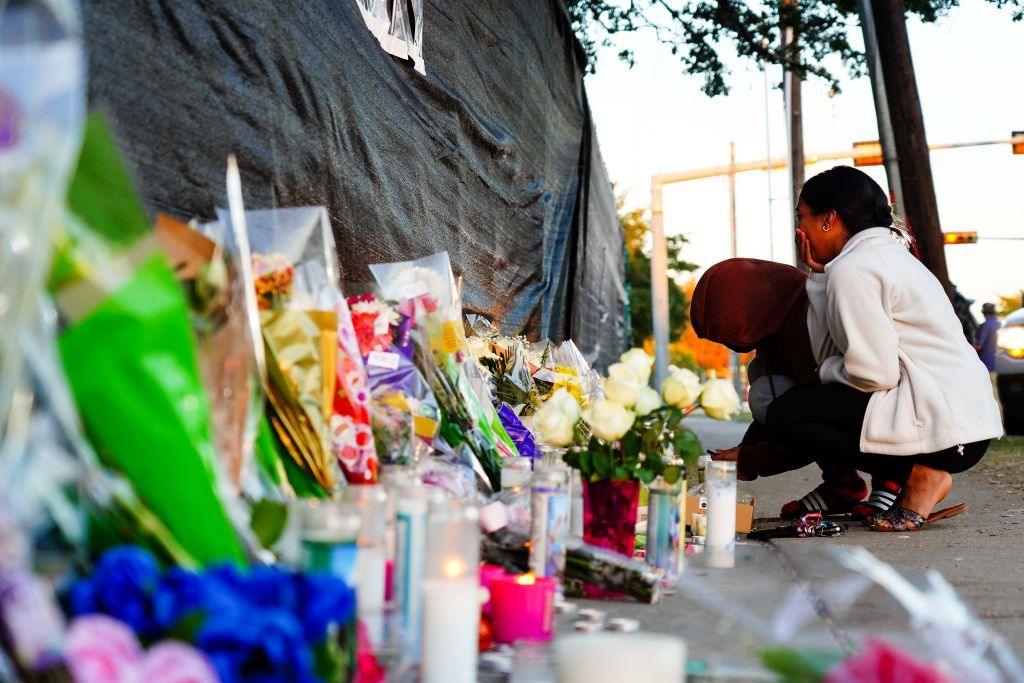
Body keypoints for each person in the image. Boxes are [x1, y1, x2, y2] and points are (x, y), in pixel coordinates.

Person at [765, 165, 1002, 532]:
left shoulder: (855, 268)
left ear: (828, 219)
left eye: (803, 217)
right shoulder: (881, 257)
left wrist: (826, 371)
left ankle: (920, 477)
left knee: (788, 413)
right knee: (806, 401)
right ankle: (908, 476)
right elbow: (832, 346)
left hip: (945, 428)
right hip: (965, 425)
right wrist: (819, 275)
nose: (800, 230)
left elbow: (872, 374)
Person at [695, 258, 901, 519]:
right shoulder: (774, 320)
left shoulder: (806, 320)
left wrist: (750, 459)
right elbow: (777, 408)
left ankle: (893, 479)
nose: (727, 345)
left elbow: (803, 420)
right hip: (830, 404)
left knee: (799, 406)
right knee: (764, 388)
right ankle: (843, 484)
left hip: (881, 408)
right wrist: (743, 452)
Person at [975, 302, 1004, 422]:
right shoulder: (999, 324)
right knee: (998, 395)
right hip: (998, 364)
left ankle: (997, 424)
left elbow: (979, 346)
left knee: (992, 396)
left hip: (987, 365)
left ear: (984, 313)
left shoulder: (986, 325)